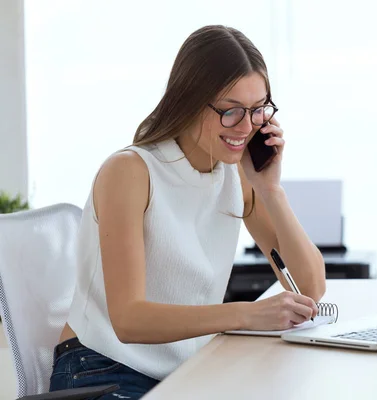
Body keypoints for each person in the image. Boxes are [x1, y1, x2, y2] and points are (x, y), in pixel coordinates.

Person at [49, 25, 326, 399]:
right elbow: (128, 320)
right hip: (100, 368)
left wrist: (270, 189)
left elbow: (310, 286)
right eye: (231, 112)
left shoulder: (238, 176)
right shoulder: (130, 171)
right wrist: (246, 315)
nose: (246, 127)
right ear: (190, 102)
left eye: (258, 109)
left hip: (184, 370)